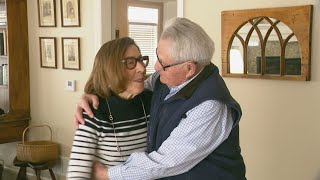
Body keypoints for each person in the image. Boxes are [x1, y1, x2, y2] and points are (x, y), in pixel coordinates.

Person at [76, 17, 246, 180]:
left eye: (162, 63)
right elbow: (128, 86)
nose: (155, 67)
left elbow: (165, 162)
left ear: (189, 69)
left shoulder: (211, 107)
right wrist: (92, 93)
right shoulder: (164, 79)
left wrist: (106, 174)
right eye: (156, 56)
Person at [67, 37, 152, 179]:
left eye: (141, 60)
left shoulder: (153, 101)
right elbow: (76, 175)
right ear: (111, 69)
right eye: (131, 63)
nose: (142, 68)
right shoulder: (93, 112)